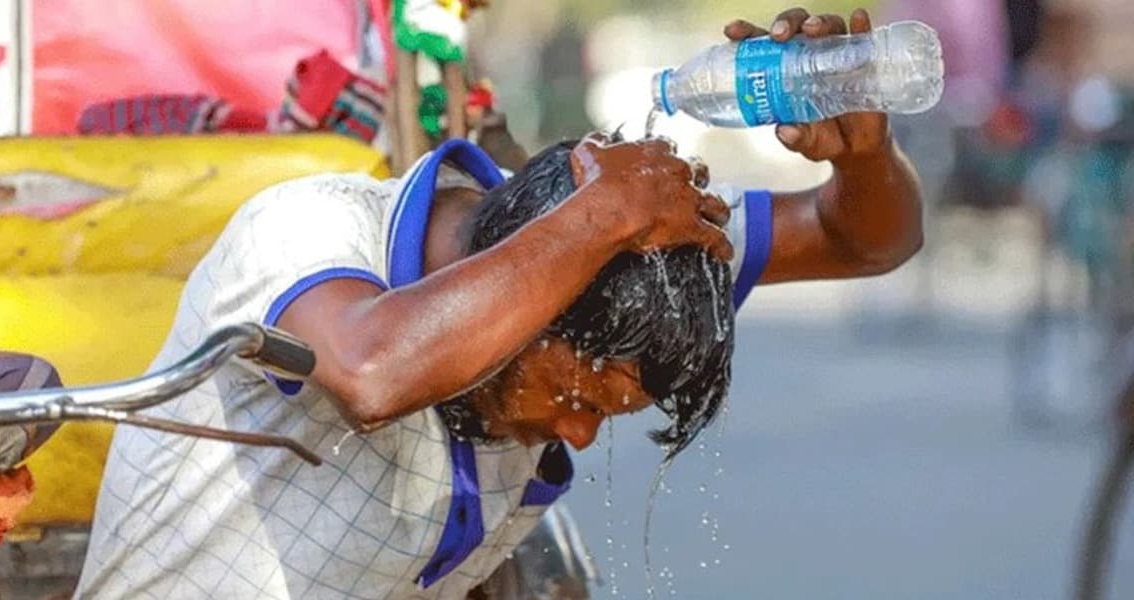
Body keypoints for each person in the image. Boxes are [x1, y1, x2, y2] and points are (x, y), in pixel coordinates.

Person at [75, 7, 922, 599]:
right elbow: (373, 374)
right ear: (532, 299)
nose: (580, 435)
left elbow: (864, 240)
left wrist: (863, 157)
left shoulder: (637, 247)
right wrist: (601, 215)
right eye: (581, 397)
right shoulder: (306, 231)